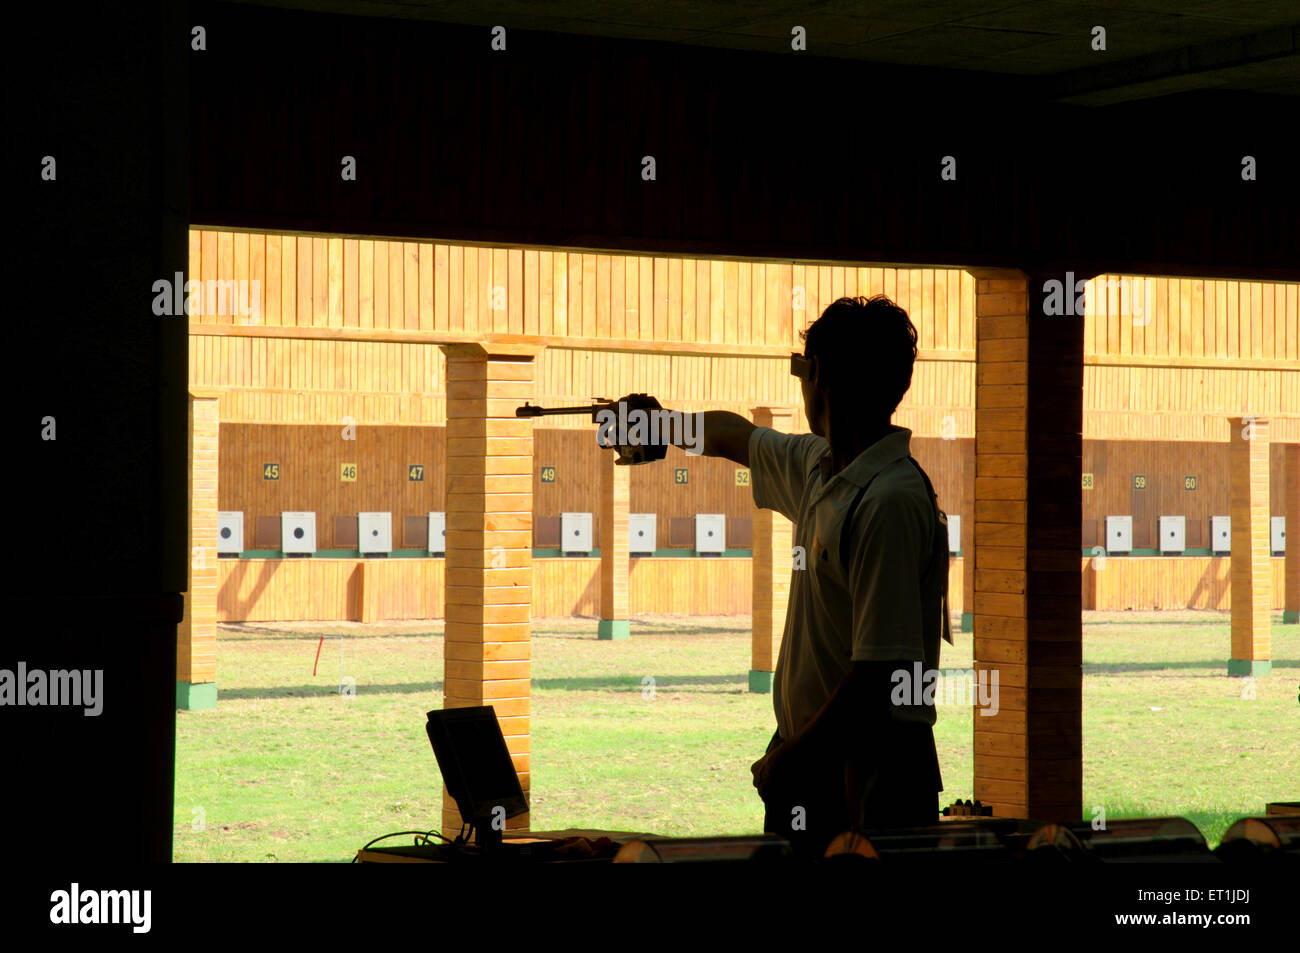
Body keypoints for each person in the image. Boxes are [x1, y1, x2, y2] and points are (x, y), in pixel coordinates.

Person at [636, 294, 949, 861]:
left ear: (822, 376)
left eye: (804, 369)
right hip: (819, 757)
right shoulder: (818, 465)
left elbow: (881, 676)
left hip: (868, 775)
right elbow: (735, 438)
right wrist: (656, 425)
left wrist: (793, 756)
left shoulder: (890, 500)